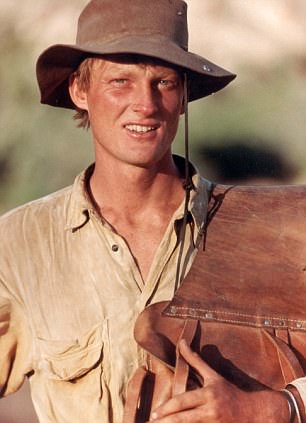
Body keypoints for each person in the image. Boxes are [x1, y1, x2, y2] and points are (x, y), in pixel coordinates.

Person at [0, 0, 304, 422]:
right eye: (120, 81)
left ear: (183, 98)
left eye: (163, 82)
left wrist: (276, 407)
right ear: (79, 91)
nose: (145, 104)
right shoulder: (19, 246)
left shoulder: (270, 230)